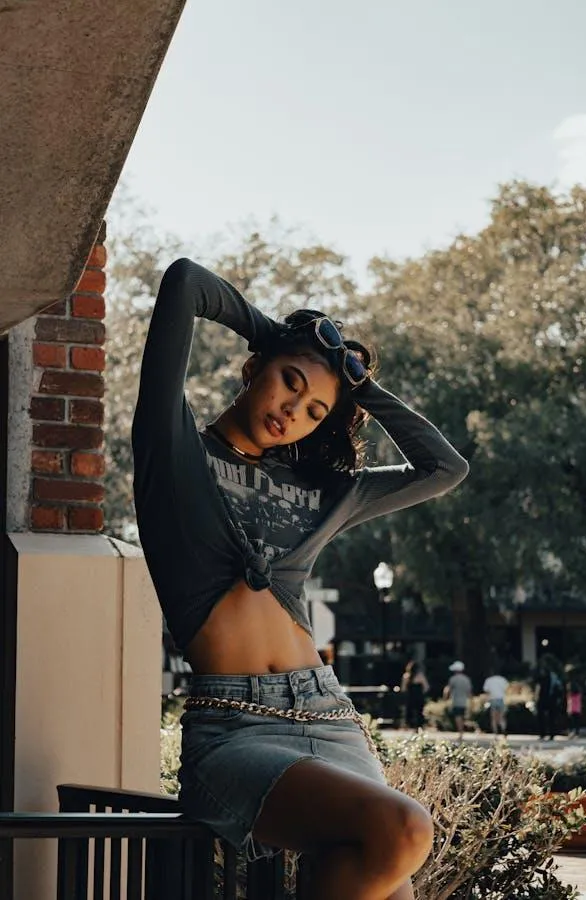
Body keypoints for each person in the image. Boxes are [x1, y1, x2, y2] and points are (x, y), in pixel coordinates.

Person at [132, 258, 469, 900]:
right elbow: (184, 284)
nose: (294, 410)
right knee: (403, 830)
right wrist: (284, 335)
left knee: (394, 884)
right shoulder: (174, 450)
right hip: (234, 730)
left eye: (315, 409)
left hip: (330, 715)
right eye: (288, 382)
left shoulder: (320, 492)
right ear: (253, 368)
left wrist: (355, 385)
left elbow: (442, 468)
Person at [535, 657, 565, 741]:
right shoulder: (554, 676)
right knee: (552, 718)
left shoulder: (540, 676)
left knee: (541, 718)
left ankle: (543, 734)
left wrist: (535, 698)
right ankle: (552, 734)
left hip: (542, 699)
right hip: (552, 699)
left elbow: (538, 688)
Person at [443, 661, 472, 739]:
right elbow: (469, 692)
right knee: (462, 716)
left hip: (456, 701)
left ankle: (460, 733)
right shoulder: (466, 679)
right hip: (464, 701)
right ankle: (461, 731)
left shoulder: (453, 679)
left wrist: (445, 698)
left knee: (458, 717)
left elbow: (448, 690)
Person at [402, 661, 430, 731]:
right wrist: (421, 692)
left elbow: (403, 688)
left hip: (410, 696)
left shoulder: (406, 676)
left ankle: (407, 726)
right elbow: (426, 687)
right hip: (419, 696)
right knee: (419, 712)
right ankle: (419, 727)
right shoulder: (420, 676)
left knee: (409, 711)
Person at [482, 670, 509, 736]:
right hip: (501, 699)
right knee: (501, 717)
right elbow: (506, 689)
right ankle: (503, 729)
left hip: (493, 699)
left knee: (493, 718)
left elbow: (486, 691)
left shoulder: (489, 680)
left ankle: (495, 733)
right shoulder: (502, 679)